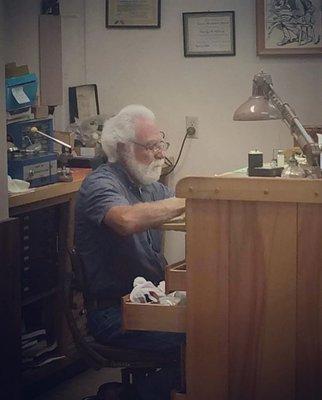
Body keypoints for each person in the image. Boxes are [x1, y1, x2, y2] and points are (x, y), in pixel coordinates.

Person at [75, 105, 185, 400]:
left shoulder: (150, 187)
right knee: (198, 340)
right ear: (123, 148)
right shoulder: (100, 183)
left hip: (148, 303)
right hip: (112, 312)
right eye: (151, 147)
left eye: (161, 144)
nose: (161, 154)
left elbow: (182, 210)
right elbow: (126, 220)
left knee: (214, 325)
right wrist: (189, 199)